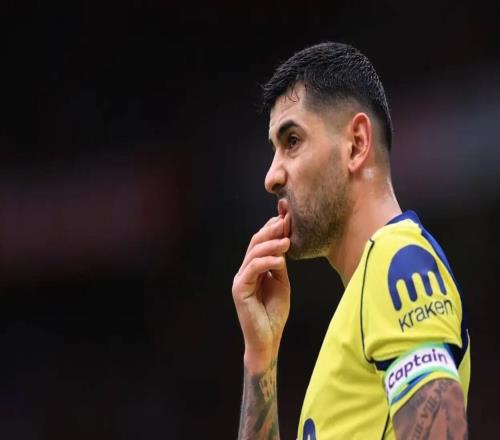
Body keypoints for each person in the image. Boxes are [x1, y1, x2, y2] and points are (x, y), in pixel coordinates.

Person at [231, 42, 470, 439]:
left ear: (357, 143)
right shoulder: (361, 299)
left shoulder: (399, 262)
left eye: (292, 141)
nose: (271, 176)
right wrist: (261, 356)